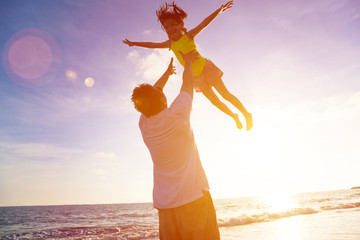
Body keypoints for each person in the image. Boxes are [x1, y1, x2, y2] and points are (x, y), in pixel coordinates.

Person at [131, 50, 220, 240]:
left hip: (165, 208)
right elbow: (188, 83)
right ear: (163, 100)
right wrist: (187, 62)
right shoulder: (177, 113)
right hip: (193, 198)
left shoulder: (144, 124)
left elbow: (152, 95)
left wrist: (166, 73)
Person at [124, 0, 253, 130]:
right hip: (195, 78)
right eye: (167, 27)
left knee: (225, 95)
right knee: (215, 102)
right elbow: (152, 45)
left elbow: (204, 23)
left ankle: (246, 114)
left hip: (206, 69)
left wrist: (219, 11)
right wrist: (134, 43)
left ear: (181, 24)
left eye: (173, 25)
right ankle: (234, 116)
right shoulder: (170, 44)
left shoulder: (189, 36)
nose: (170, 29)